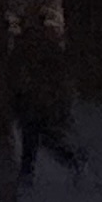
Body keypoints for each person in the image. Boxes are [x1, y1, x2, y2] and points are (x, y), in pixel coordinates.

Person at [5, 10, 87, 191]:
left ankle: (72, 161)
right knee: (36, 139)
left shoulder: (41, 49)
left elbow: (59, 76)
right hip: (33, 104)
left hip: (41, 104)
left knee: (41, 139)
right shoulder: (28, 49)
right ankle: (68, 162)